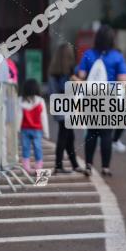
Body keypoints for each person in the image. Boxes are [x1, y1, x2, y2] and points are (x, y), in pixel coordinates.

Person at [74, 25, 126, 177]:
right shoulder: (117, 56)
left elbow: (81, 74)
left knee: (91, 132)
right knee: (106, 134)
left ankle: (88, 165)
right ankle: (105, 167)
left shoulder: (88, 54)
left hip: (92, 97)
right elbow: (123, 80)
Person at [48, 43, 80, 173]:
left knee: (68, 136)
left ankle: (74, 164)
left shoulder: (53, 71)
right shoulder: (70, 71)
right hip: (67, 106)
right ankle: (59, 165)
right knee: (64, 136)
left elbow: (53, 90)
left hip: (58, 105)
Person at [19, 78, 49, 174]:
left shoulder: (20, 101)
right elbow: (44, 117)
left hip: (25, 129)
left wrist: (16, 129)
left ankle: (26, 167)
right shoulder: (40, 101)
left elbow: (17, 116)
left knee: (25, 148)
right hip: (37, 129)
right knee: (38, 148)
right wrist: (46, 132)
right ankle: (39, 167)